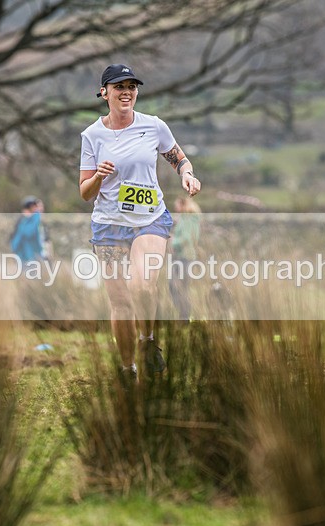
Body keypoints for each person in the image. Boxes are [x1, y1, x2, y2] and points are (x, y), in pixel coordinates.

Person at [79, 64, 201, 384]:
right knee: (120, 303)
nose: (127, 92)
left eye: (132, 86)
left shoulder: (153, 126)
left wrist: (187, 174)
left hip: (149, 219)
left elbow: (179, 158)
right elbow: (85, 193)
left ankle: (147, 340)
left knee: (142, 284)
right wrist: (98, 177)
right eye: (119, 86)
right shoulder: (92, 136)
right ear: (104, 93)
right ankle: (127, 369)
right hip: (108, 225)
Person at [168, 197, 202, 322]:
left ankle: (184, 316)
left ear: (183, 205)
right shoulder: (192, 219)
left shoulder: (186, 219)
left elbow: (185, 238)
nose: (175, 208)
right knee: (182, 287)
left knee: (176, 286)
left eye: (177, 205)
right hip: (187, 256)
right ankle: (184, 316)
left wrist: (173, 242)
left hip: (183, 257)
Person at [10, 195, 47, 265]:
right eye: (35, 206)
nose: (37, 209)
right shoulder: (25, 220)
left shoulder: (34, 220)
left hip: (34, 255)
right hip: (26, 256)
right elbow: (26, 234)